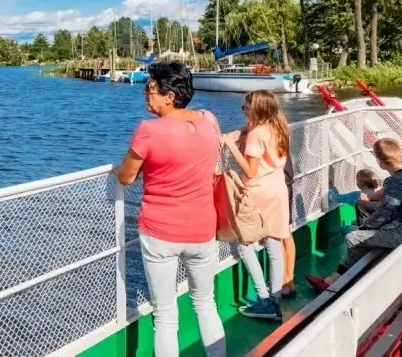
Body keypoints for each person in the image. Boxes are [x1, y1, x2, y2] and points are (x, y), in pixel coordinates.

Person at [114, 62, 226, 357]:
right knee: (206, 304)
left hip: (161, 231)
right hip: (202, 229)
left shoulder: (149, 130)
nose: (145, 94)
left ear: (170, 96)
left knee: (165, 316)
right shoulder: (209, 120)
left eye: (150, 88)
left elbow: (126, 176)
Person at [306, 138, 402, 291]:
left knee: (352, 237)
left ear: (380, 162)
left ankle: (341, 281)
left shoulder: (395, 181)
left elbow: (384, 213)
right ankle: (335, 279)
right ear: (400, 156)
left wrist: (364, 228)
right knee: (361, 238)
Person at [221, 90, 290, 321]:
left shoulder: (256, 134)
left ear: (256, 110)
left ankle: (263, 300)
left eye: (246, 108)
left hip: (259, 191)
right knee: (274, 243)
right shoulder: (280, 126)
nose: (243, 110)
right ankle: (276, 297)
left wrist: (231, 144)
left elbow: (250, 170)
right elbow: (250, 128)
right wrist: (240, 130)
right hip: (278, 188)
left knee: (245, 243)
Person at [282, 155, 296, 298]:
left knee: (278, 234)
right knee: (285, 232)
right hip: (286, 180)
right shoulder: (284, 132)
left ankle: (284, 282)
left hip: (278, 183)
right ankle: (288, 279)